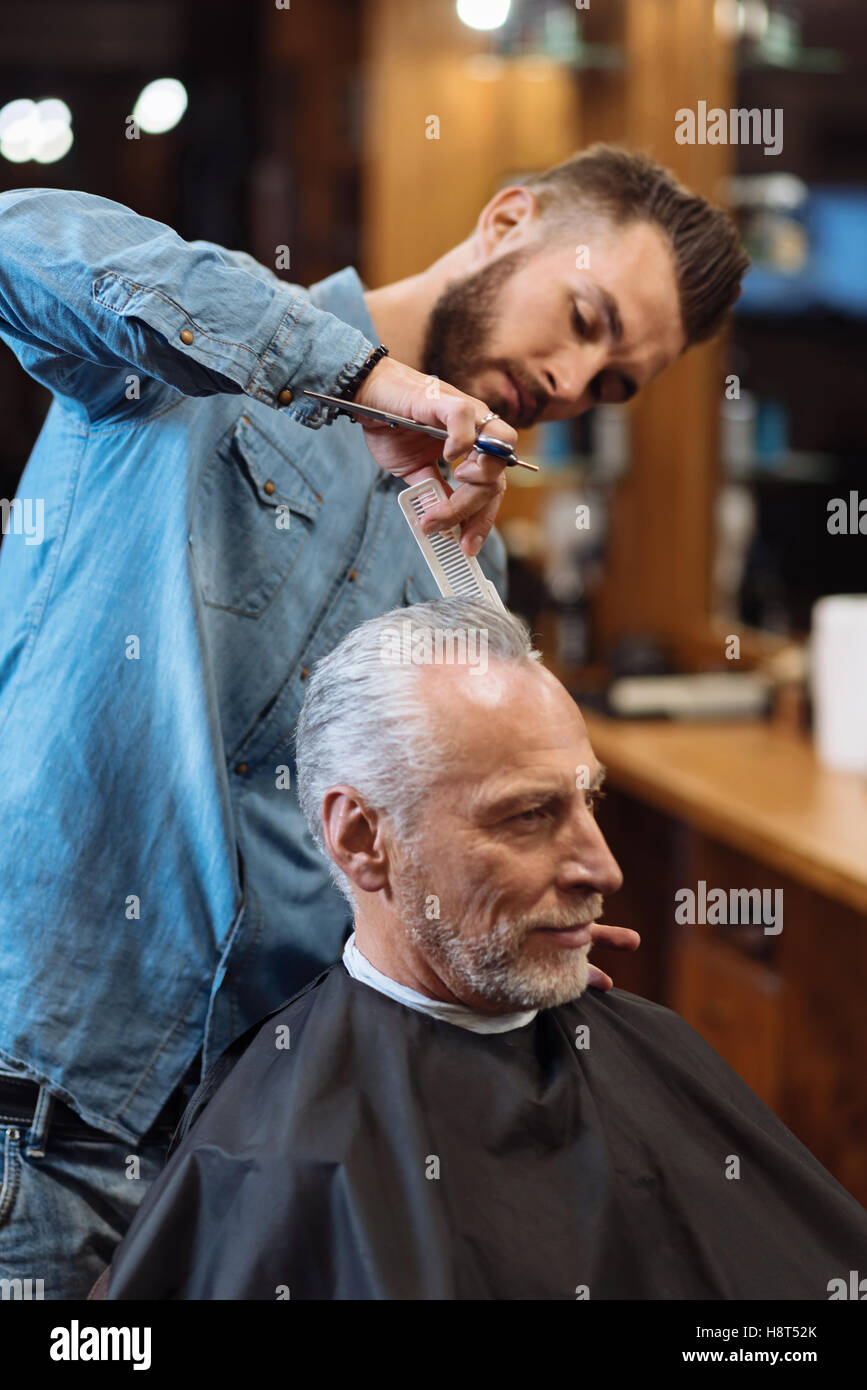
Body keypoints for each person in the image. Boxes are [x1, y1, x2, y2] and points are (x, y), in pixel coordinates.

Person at [0, 145, 748, 1297]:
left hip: (239, 1160)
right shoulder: (195, 349)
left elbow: (381, 847)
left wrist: (501, 914)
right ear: (508, 221)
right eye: (585, 318)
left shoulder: (449, 541)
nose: (571, 380)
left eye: (612, 384)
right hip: (33, 1127)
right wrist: (360, 377)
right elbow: (21, 238)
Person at [100, 598, 867, 1300]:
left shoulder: (652, 1049)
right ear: (363, 839)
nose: (603, 868)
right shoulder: (273, 1162)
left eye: (586, 801)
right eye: (530, 815)